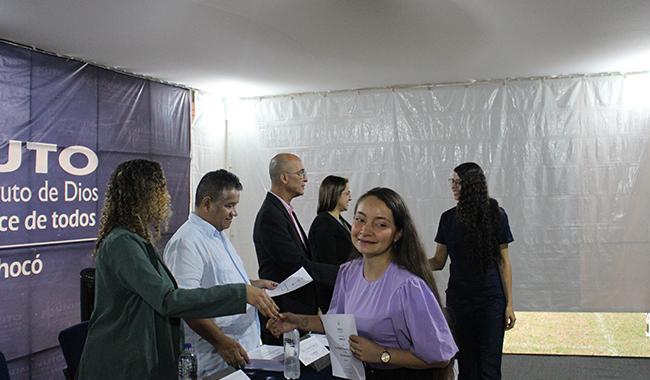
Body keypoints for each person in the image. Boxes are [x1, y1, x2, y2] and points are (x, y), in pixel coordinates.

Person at [77, 159, 278, 380]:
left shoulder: (133, 239)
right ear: (143, 196)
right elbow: (168, 300)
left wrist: (247, 287)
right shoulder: (122, 242)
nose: (166, 199)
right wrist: (240, 293)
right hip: (122, 363)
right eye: (160, 191)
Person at [268, 187, 458, 380]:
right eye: (360, 220)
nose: (366, 231)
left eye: (380, 225)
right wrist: (298, 321)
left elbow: (441, 357)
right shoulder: (348, 273)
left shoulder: (408, 286)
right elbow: (337, 323)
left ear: (398, 234)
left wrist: (382, 354)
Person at [163, 170, 278, 379]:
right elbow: (185, 304)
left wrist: (252, 284)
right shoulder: (186, 242)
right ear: (207, 204)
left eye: (235, 205)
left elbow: (216, 280)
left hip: (242, 351)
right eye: (229, 206)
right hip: (216, 359)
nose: (235, 213)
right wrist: (222, 342)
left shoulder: (217, 233)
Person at [429, 162, 515, 380]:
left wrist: (509, 305)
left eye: (458, 182)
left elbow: (503, 261)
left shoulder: (496, 215)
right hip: (459, 299)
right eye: (453, 181)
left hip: (491, 299)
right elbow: (438, 262)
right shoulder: (448, 218)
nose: (453, 186)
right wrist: (408, 260)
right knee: (465, 364)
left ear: (473, 185)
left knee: (489, 365)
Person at [253, 153, 340, 345]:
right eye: (300, 173)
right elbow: (295, 265)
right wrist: (340, 274)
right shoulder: (270, 215)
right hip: (284, 314)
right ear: (284, 178)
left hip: (299, 310)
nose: (305, 179)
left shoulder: (283, 211)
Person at [308, 175, 353, 312]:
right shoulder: (323, 223)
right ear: (335, 194)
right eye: (347, 194)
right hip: (333, 293)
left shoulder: (341, 222)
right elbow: (327, 261)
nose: (350, 198)